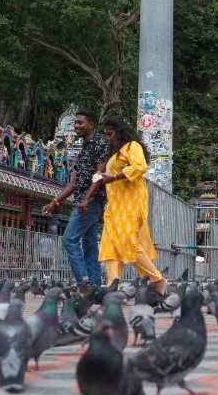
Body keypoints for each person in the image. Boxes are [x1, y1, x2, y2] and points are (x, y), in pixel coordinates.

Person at [80, 118, 166, 293]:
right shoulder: (114, 155)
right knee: (109, 247)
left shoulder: (132, 146)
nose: (108, 138)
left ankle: (157, 279)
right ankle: (113, 288)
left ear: (120, 133)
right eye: (106, 135)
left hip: (130, 203)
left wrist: (114, 177)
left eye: (110, 134)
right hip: (114, 206)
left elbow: (140, 167)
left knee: (128, 242)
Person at [42, 109, 109, 286]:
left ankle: (83, 283)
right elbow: (73, 183)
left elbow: (100, 174)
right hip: (82, 202)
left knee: (69, 240)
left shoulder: (100, 143)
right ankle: (94, 287)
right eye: (75, 123)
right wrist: (55, 201)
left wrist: (87, 199)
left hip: (90, 202)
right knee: (90, 246)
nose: (76, 126)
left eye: (80, 122)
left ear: (91, 125)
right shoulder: (83, 150)